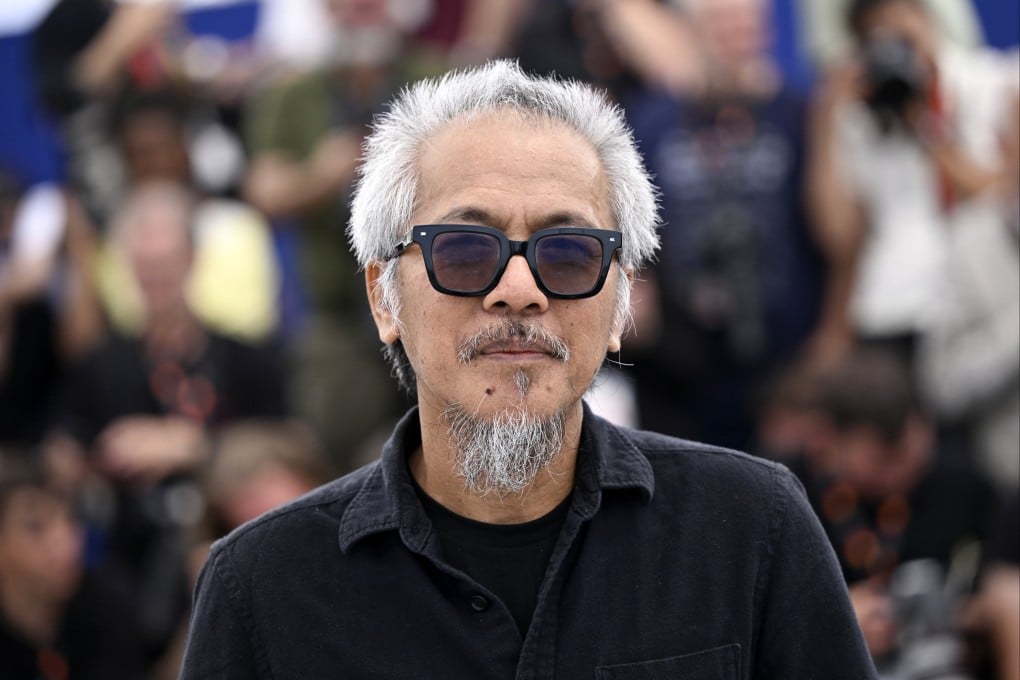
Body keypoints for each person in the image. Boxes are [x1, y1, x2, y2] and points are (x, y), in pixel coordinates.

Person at [181, 60, 875, 678]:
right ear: (383, 298)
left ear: (621, 302)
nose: (519, 289)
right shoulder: (261, 586)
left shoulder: (753, 531)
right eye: (463, 249)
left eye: (568, 253)